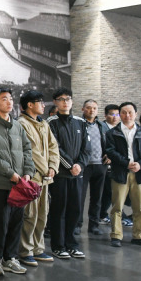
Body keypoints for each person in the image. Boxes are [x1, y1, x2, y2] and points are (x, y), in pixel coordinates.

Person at [0, 87, 35, 276]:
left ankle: (10, 258)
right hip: (1, 182)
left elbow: (27, 150)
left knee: (16, 222)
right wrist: (10, 173)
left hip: (20, 183)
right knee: (1, 222)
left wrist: (28, 172)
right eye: (4, 99)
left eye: (10, 98)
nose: (9, 102)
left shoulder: (17, 125)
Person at [17, 90, 59, 266]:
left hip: (45, 178)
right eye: (40, 102)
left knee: (43, 215)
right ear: (29, 105)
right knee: (30, 216)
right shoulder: (22, 124)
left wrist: (53, 166)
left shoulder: (43, 124)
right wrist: (46, 169)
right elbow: (32, 151)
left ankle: (38, 248)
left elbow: (53, 146)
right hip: (32, 178)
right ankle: (25, 250)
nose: (43, 105)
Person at [46, 88, 88, 259]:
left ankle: (72, 244)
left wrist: (80, 165)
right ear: (55, 102)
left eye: (68, 99)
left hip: (77, 174)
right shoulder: (51, 122)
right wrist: (70, 165)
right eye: (61, 99)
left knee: (75, 209)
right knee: (59, 210)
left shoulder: (80, 122)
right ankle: (58, 246)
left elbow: (86, 148)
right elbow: (55, 148)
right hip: (61, 175)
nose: (65, 102)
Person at [106, 102, 141, 247]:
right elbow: (110, 151)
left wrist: (140, 163)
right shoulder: (112, 133)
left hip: (139, 173)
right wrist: (126, 163)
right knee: (117, 206)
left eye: (130, 112)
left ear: (136, 114)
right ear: (120, 114)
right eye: (124, 112)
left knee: (139, 208)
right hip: (120, 172)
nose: (127, 115)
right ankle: (116, 235)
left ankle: (139, 236)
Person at [81, 99, 110, 235]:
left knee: (97, 198)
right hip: (84, 166)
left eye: (94, 108)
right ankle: (77, 225)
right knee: (80, 197)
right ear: (83, 109)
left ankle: (94, 225)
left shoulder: (102, 126)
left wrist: (109, 155)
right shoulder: (78, 124)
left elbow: (110, 144)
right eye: (88, 107)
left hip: (100, 165)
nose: (91, 110)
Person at [102, 104, 122, 226]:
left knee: (115, 191)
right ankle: (101, 214)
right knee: (105, 191)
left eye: (117, 114)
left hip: (117, 164)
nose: (115, 117)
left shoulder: (121, 128)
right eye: (111, 114)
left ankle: (110, 214)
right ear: (105, 115)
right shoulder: (101, 127)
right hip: (103, 163)